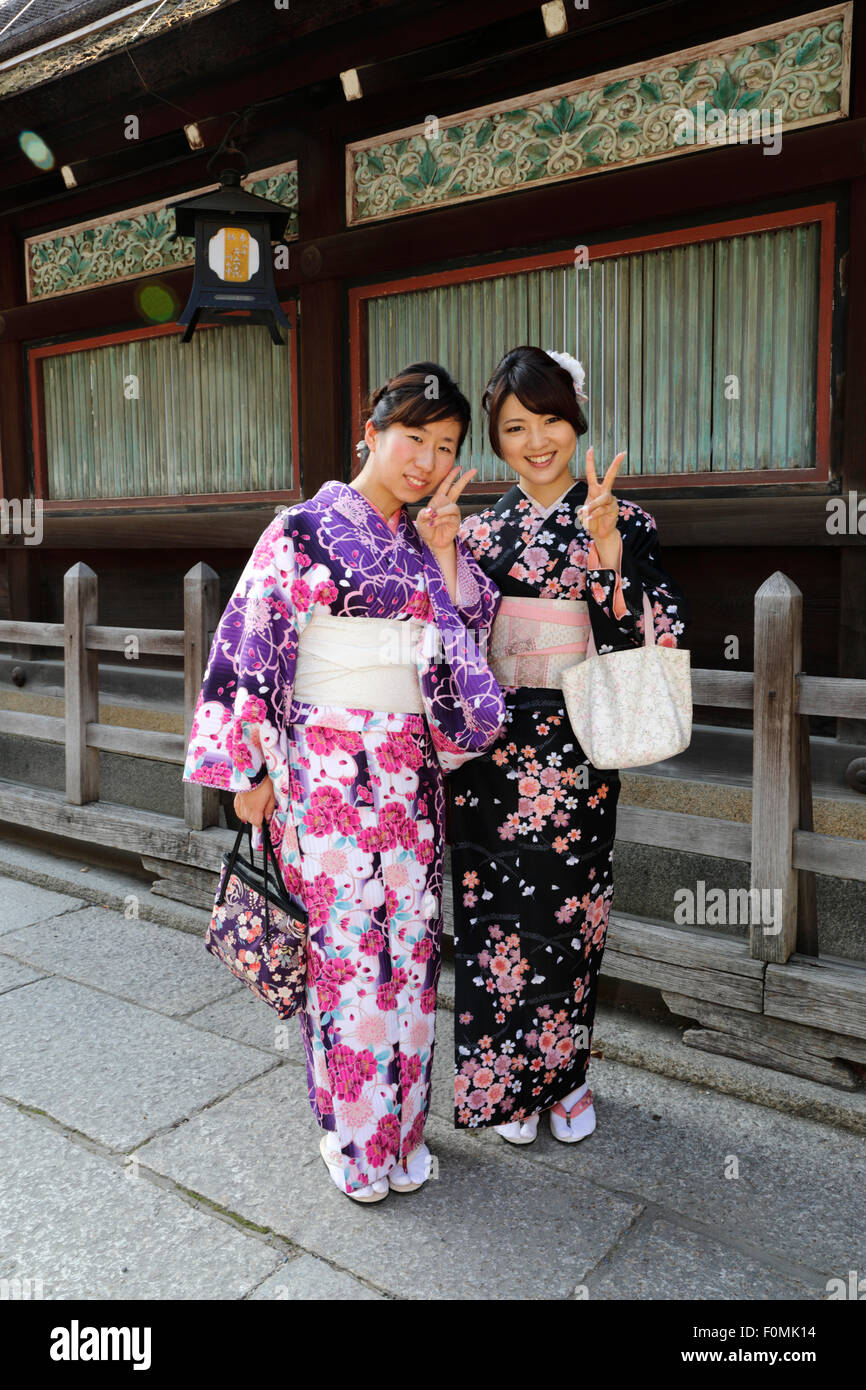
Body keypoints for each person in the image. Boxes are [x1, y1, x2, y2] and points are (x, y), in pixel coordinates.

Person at [183, 363, 505, 1201]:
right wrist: (245, 769)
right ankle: (359, 1145)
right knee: (349, 962)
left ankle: (406, 1136)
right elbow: (251, 647)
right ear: (371, 430)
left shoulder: (428, 543)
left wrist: (443, 558)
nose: (427, 461)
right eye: (413, 438)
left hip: (410, 785)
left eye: (446, 447)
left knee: (411, 957)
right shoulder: (301, 530)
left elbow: (465, 654)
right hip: (324, 780)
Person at [448, 345, 690, 1144]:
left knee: (569, 914)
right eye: (516, 426)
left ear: (577, 422)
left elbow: (654, 638)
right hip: (489, 747)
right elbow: (449, 642)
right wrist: (445, 558)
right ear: (497, 438)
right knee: (491, 920)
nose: (537, 440)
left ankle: (567, 1078)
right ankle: (508, 1085)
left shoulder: (625, 520)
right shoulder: (480, 531)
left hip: (576, 748)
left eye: (552, 419)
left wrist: (610, 555)